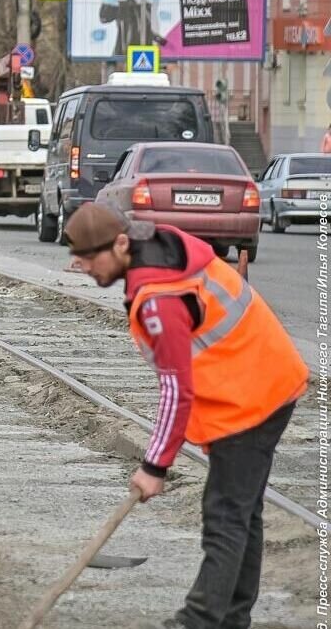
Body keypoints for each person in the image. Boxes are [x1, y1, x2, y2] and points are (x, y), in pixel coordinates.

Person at [63, 203, 308, 629]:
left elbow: (177, 389)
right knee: (242, 512)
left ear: (122, 243)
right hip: (261, 380)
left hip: (250, 397)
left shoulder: (160, 298)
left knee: (226, 515)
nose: (79, 265)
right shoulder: (158, 252)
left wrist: (154, 466)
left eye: (88, 256)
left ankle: (198, 620)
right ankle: (231, 619)